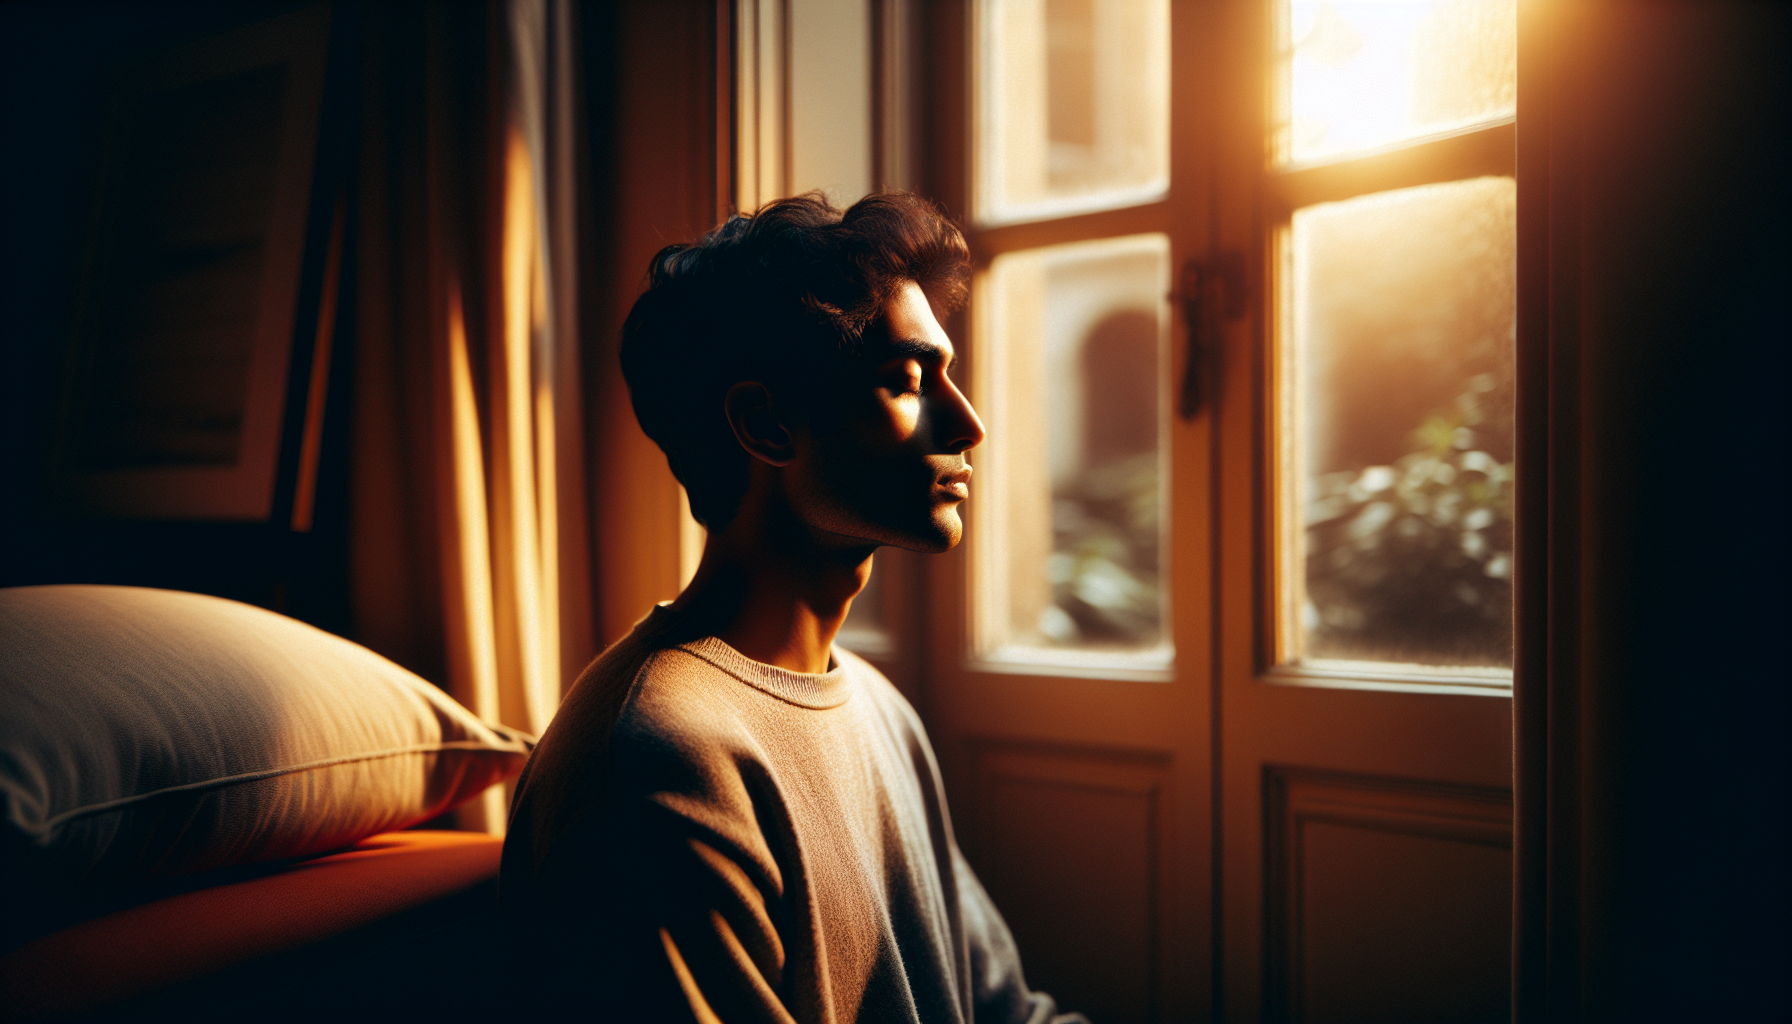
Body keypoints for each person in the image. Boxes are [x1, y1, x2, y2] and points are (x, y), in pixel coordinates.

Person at [500, 192, 1084, 1024]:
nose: (968, 423)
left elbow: (1003, 1010)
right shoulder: (658, 764)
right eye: (906, 381)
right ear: (766, 424)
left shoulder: (879, 708)